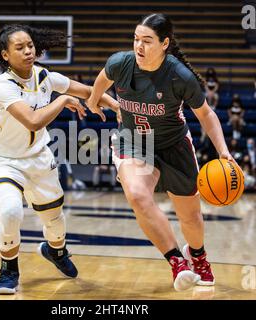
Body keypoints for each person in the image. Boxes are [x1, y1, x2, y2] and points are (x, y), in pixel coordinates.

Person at [86, 13, 235, 291]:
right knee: (138, 196)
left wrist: (223, 152)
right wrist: (95, 100)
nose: (139, 47)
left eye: (147, 41)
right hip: (132, 142)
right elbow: (102, 78)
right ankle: (177, 261)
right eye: (135, 39)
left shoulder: (180, 76)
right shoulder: (121, 63)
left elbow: (206, 114)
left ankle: (198, 256)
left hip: (174, 145)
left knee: (190, 217)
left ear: (165, 43)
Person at [0, 24, 119, 294]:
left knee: (54, 221)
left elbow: (88, 91)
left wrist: (114, 105)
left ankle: (55, 251)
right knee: (11, 212)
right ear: (5, 55)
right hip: (5, 161)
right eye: (19, 48)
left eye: (30, 45)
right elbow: (34, 122)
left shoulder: (45, 76)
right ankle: (8, 270)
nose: (28, 51)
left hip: (40, 159)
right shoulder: (3, 87)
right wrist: (61, 100)